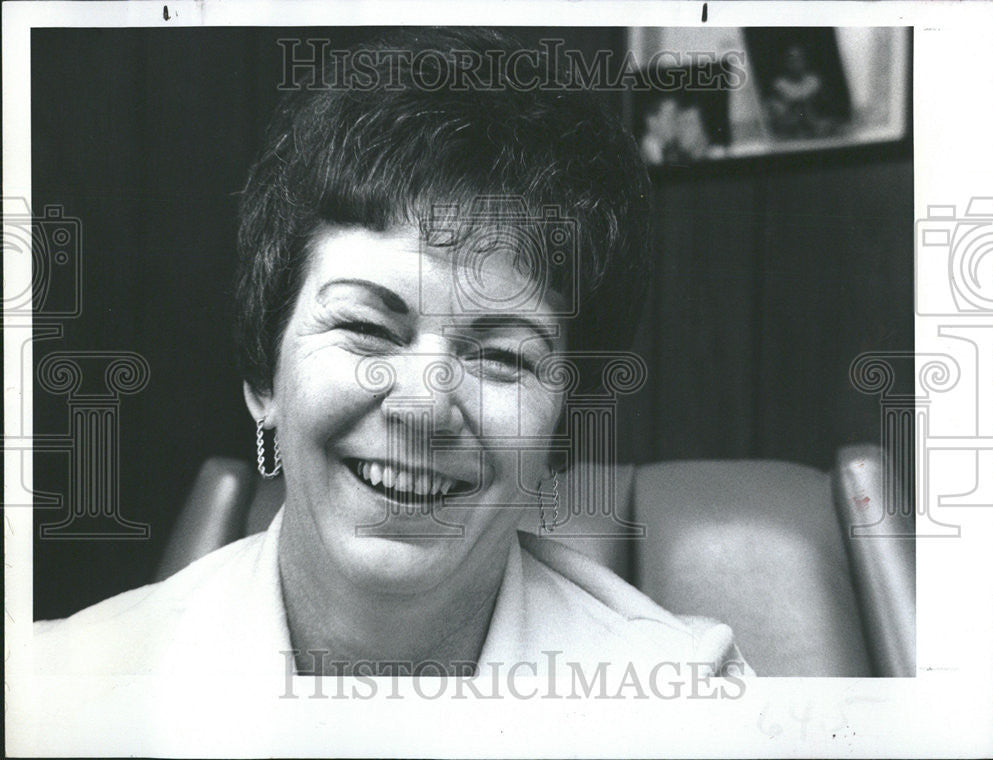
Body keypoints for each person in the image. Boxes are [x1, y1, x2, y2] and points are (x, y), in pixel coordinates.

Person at [30, 29, 750, 738]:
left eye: (502, 357)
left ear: (563, 422)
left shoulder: (682, 708)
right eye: (368, 330)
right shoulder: (61, 695)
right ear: (263, 374)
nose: (423, 404)